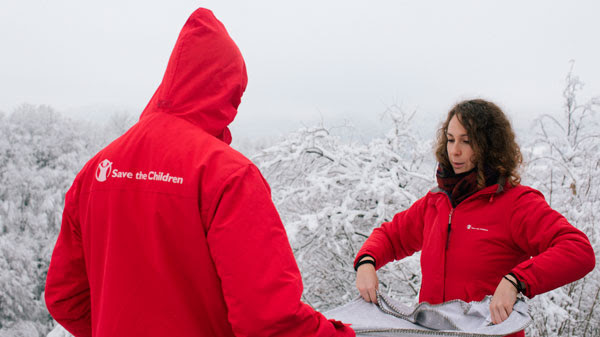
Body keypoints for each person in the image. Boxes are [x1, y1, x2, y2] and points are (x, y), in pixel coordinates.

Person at [45, 8, 354, 337]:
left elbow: (65, 297)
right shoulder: (228, 176)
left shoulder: (96, 172)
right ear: (227, 90)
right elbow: (269, 321)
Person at [354, 99, 595, 337]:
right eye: (450, 139)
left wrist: (516, 280)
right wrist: (367, 261)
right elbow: (391, 236)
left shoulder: (516, 203)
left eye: (466, 142)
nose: (454, 151)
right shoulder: (437, 202)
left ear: (489, 146)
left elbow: (578, 250)